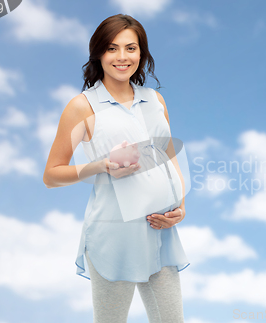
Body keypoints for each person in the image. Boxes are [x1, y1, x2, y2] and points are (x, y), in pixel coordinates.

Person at [43, 14, 190, 323]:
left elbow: (168, 154)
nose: (122, 57)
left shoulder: (156, 100)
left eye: (131, 48)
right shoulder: (83, 107)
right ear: (99, 53)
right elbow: (52, 174)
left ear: (142, 53)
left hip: (158, 233)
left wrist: (180, 205)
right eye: (112, 48)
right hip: (114, 236)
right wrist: (102, 167)